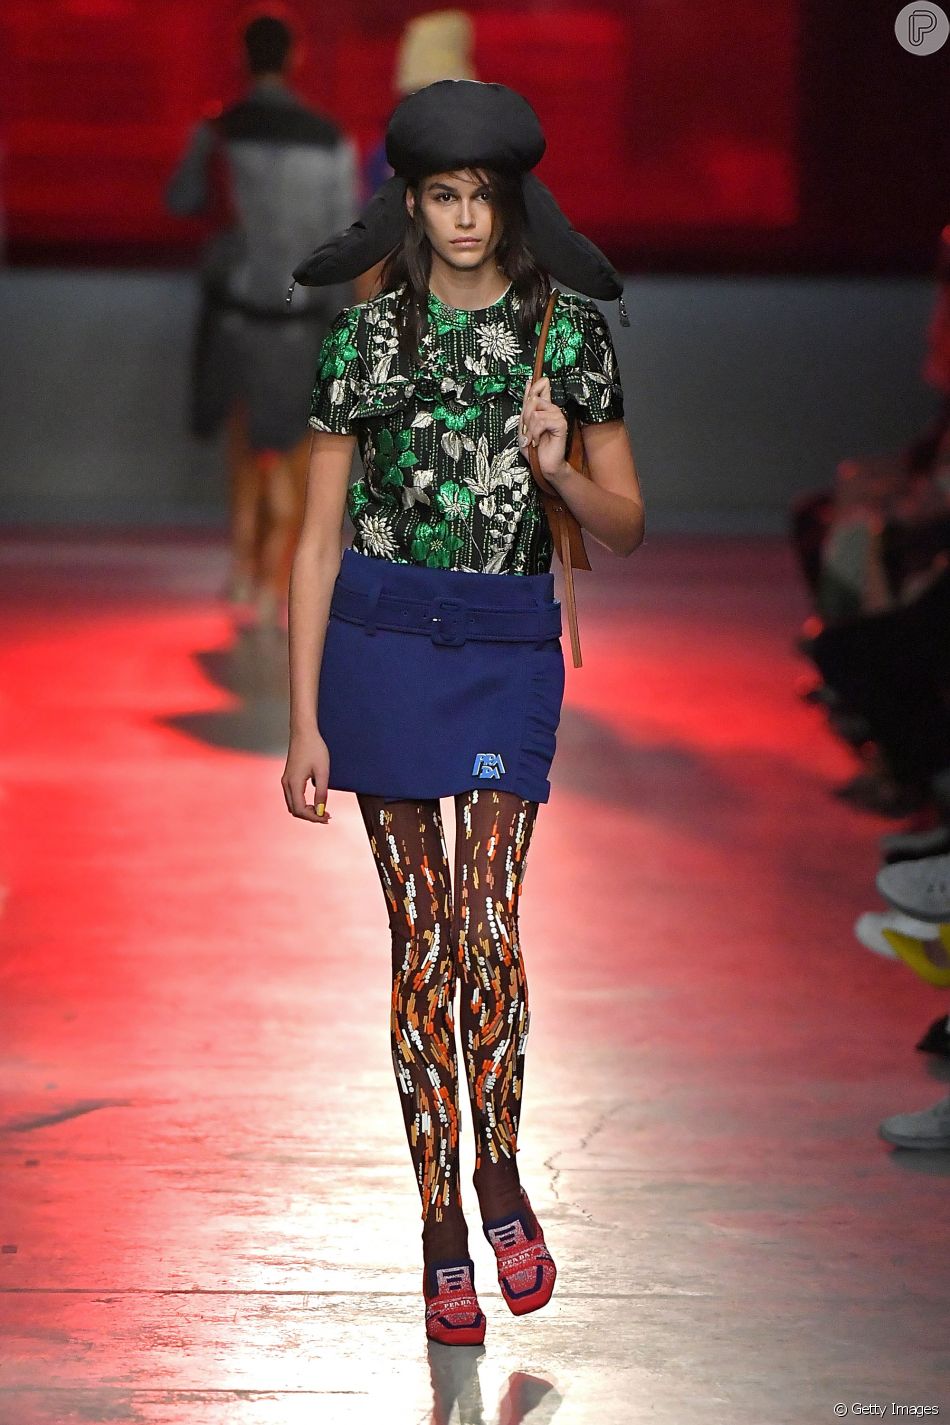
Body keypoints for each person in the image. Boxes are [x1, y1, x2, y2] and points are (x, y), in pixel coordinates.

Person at [281, 80, 644, 1345]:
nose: (465, 218)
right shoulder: (360, 342)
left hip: (505, 644)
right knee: (420, 943)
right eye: (443, 195)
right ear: (410, 204)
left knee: (487, 922)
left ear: (513, 202)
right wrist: (301, 721)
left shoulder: (567, 339)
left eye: (483, 195)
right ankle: (440, 1227)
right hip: (379, 642)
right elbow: (313, 543)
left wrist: (556, 470)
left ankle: (499, 1173)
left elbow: (626, 523)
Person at [166, 14, 357, 627]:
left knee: (244, 443)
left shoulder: (218, 130)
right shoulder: (331, 139)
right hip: (303, 319)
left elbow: (181, 198)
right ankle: (278, 579)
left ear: (242, 58)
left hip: (237, 317)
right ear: (296, 57)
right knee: (298, 450)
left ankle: (244, 568)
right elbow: (341, 237)